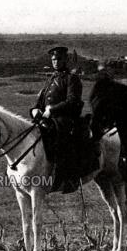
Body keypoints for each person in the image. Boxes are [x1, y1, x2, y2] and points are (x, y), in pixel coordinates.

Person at [31, 46, 93, 193]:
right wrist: (34, 110)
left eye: (59, 59)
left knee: (61, 140)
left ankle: (68, 178)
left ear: (65, 60)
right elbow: (40, 101)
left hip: (64, 120)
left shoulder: (72, 79)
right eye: (53, 59)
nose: (55, 62)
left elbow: (72, 101)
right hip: (47, 119)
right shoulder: (51, 79)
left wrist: (52, 110)